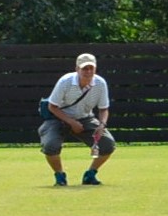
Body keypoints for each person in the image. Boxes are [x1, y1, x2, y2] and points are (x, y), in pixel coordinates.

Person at [40, 52, 114, 186]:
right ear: (77, 69)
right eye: (84, 68)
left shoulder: (100, 83)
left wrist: (102, 125)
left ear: (95, 69)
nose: (88, 71)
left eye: (91, 68)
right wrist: (71, 122)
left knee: (108, 145)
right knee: (50, 146)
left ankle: (90, 174)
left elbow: (104, 108)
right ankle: (59, 176)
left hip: (85, 118)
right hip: (59, 117)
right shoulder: (65, 81)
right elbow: (52, 106)